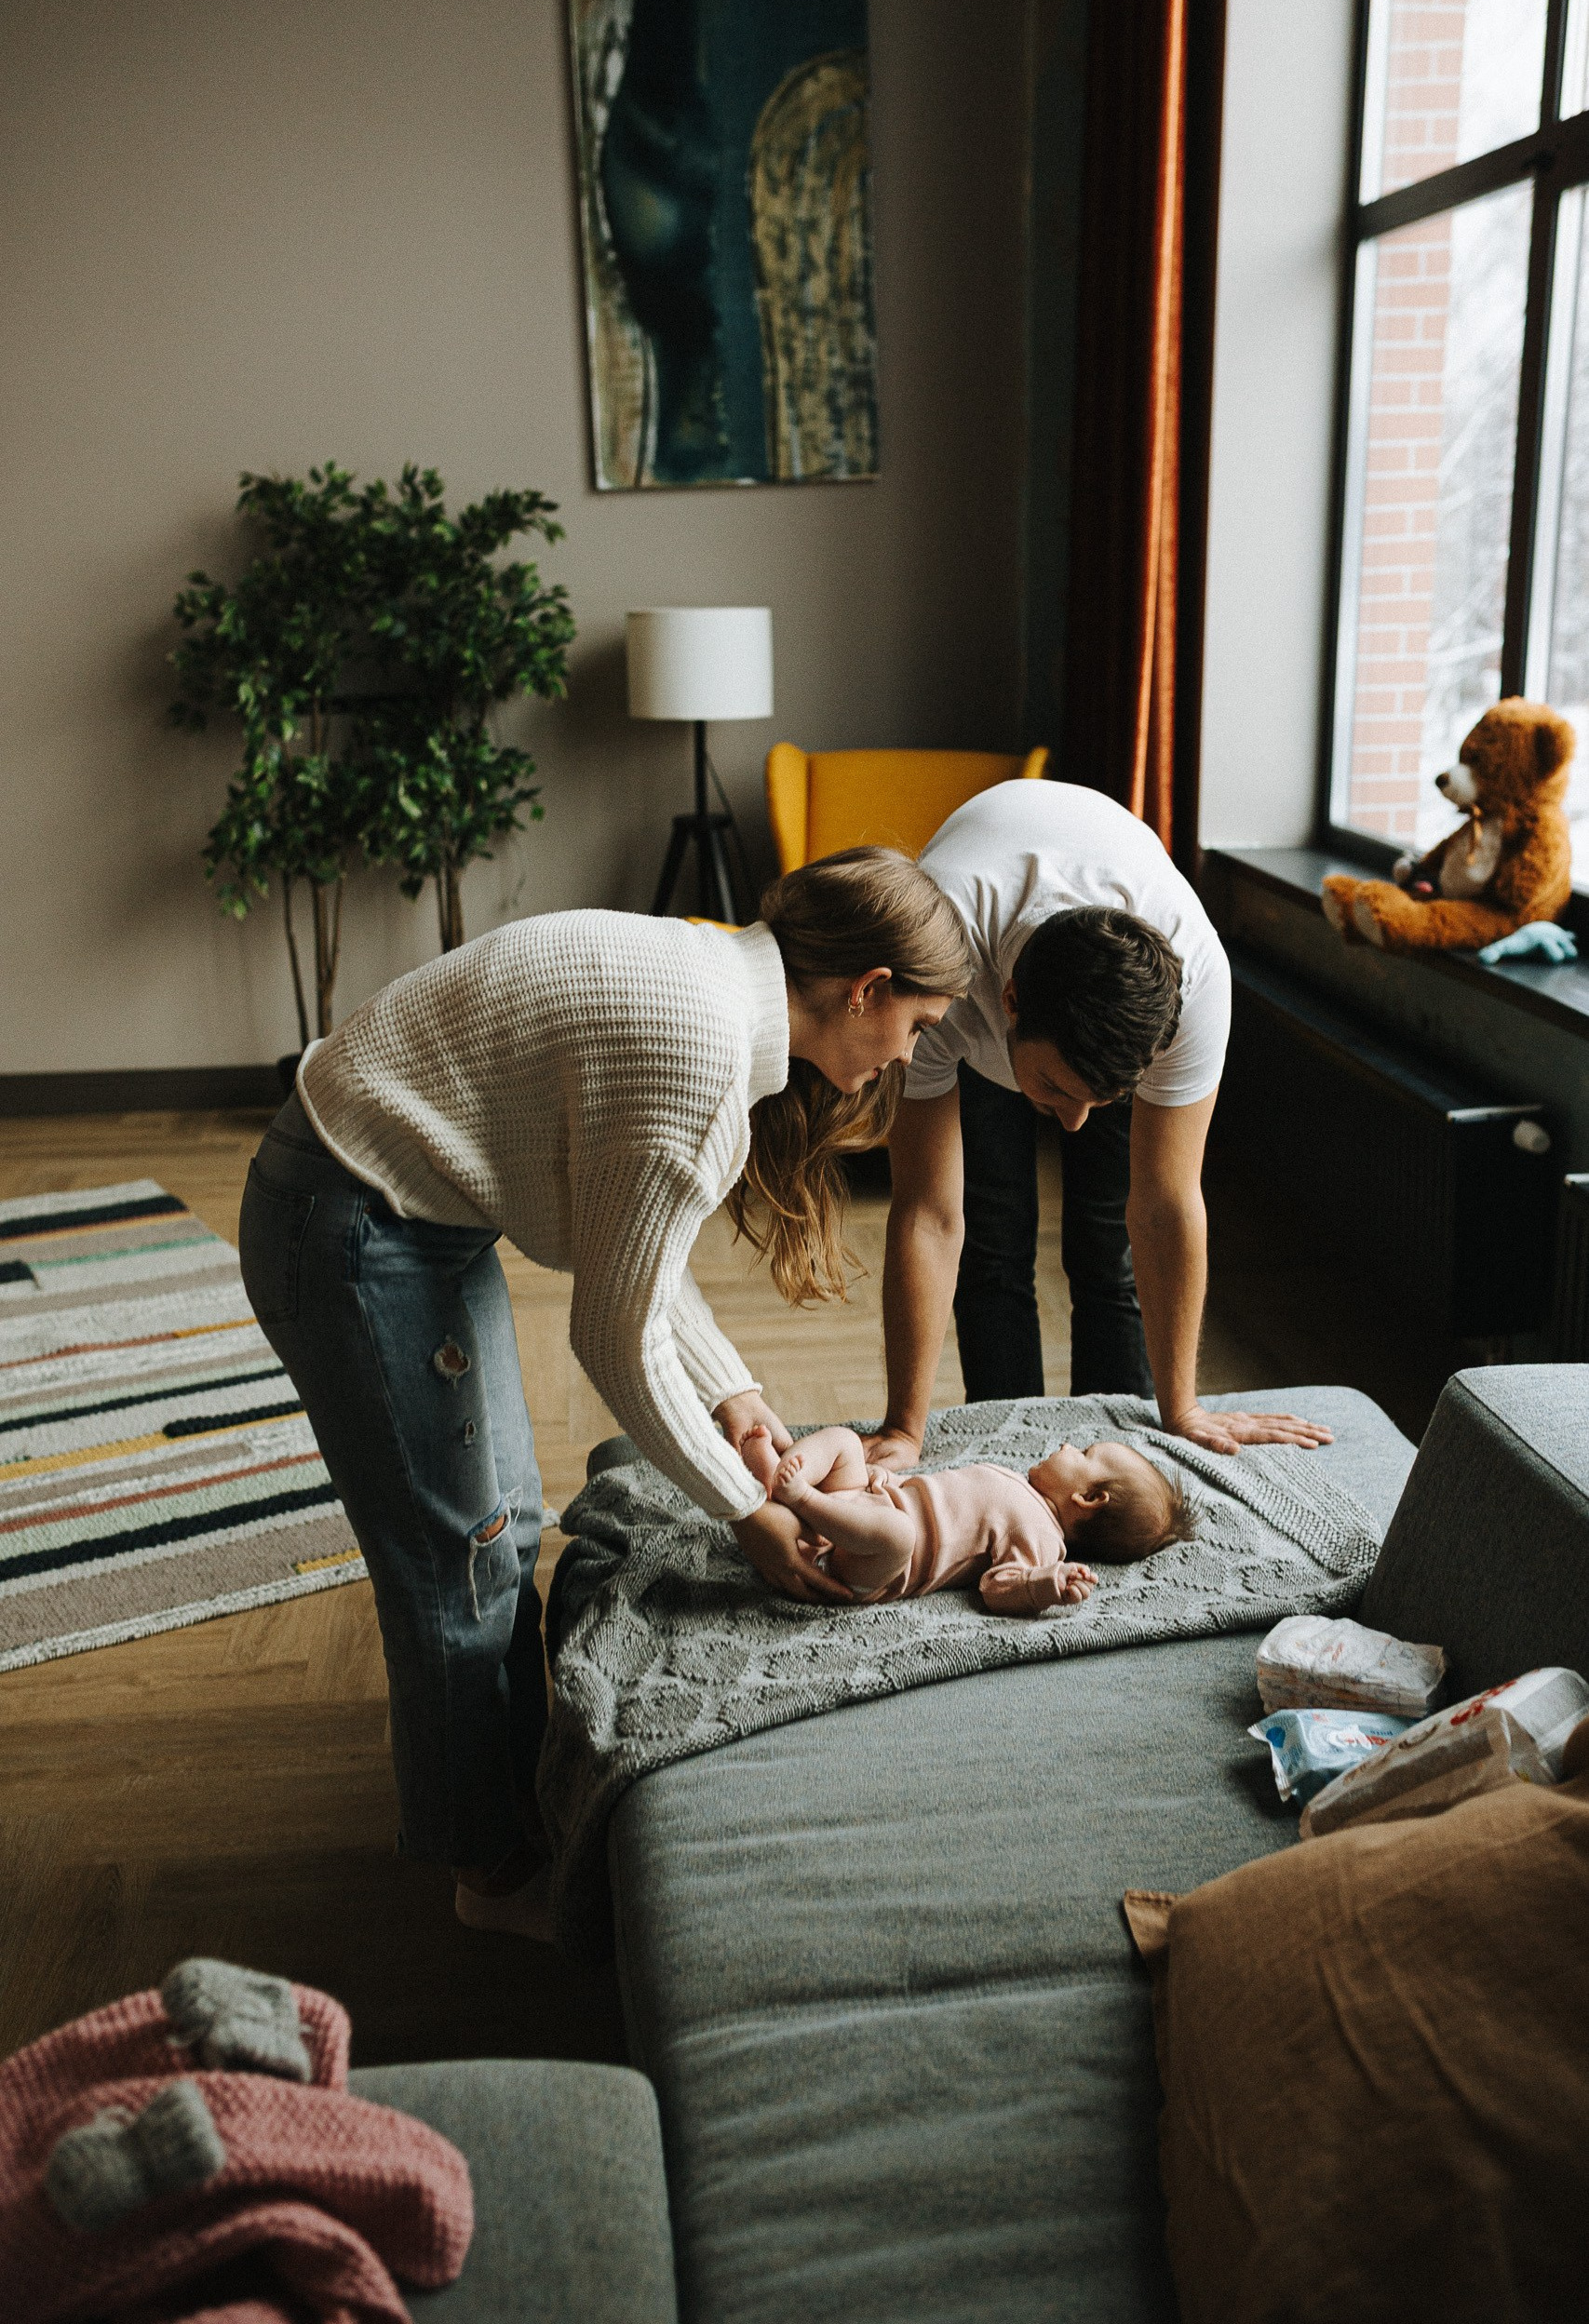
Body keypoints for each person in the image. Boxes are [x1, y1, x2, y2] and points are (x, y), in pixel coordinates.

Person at [236, 850, 973, 1936]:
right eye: (916, 1025)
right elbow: (614, 1340)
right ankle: (489, 1872)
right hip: (351, 1221)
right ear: (866, 990)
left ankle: (505, 1810)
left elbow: (631, 1257)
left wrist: (736, 1397)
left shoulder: (718, 985)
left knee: (499, 1522)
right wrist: (750, 1510)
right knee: (460, 1557)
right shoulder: (708, 1057)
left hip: (406, 1206)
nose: (909, 1055)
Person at [864, 780, 1333, 1481]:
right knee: (992, 1243)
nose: (1076, 1122)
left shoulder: (1196, 984)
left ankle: (1116, 1464)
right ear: (1010, 1004)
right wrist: (904, 1429)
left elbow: (1166, 1205)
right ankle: (1010, 1454)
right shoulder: (933, 964)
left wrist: (1184, 1410)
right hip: (972, 963)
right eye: (1057, 1089)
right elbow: (928, 1214)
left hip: (1088, 995)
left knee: (1107, 1247)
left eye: (1100, 1099)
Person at [741, 1421, 1192, 1610]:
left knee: (900, 1534)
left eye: (1086, 1453)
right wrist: (880, 1480)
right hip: (867, 1503)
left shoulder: (1043, 1539)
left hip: (869, 1565)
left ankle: (798, 1500)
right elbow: (933, 1494)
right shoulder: (1015, 1480)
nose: (1068, 1446)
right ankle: (775, 1479)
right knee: (844, 1442)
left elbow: (997, 1588)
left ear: (1089, 1499)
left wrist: (1044, 1585)